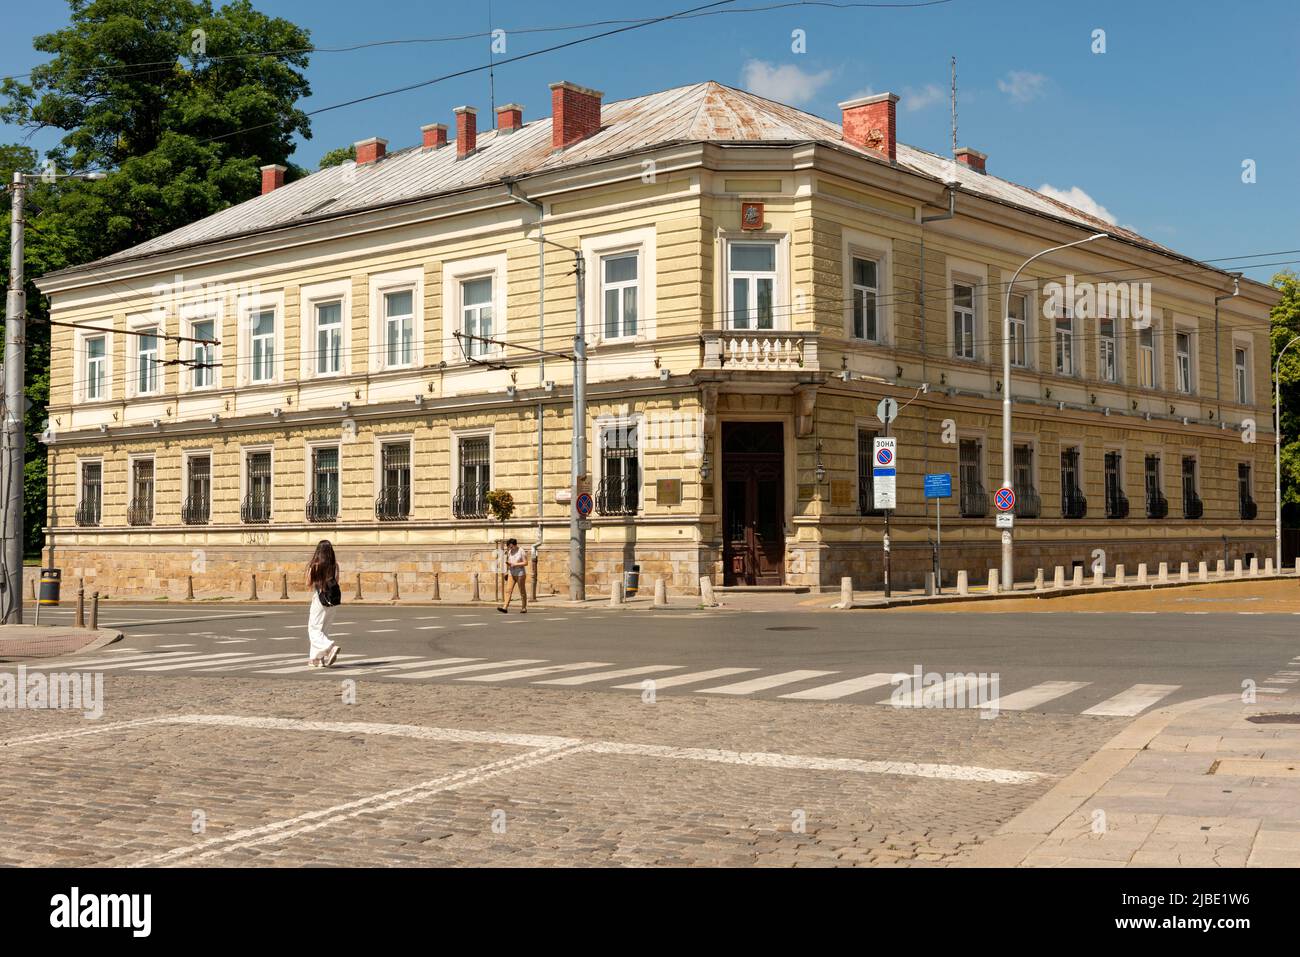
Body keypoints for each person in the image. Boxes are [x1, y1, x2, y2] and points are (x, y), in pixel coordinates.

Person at [306, 540, 342, 668]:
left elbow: (308, 582)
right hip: (332, 600)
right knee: (324, 630)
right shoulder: (335, 565)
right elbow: (336, 581)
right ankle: (316, 659)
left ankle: (330, 647)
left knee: (314, 629)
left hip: (320, 598)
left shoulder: (315, 565)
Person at [498, 538, 528, 614]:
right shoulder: (510, 552)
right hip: (511, 573)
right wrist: (507, 571)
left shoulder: (521, 551)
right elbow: (509, 562)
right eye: (509, 547)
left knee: (522, 591)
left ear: (515, 545)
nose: (510, 548)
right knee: (508, 590)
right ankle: (505, 607)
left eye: (511, 546)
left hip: (520, 574)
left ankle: (524, 607)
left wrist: (516, 564)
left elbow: (526, 562)